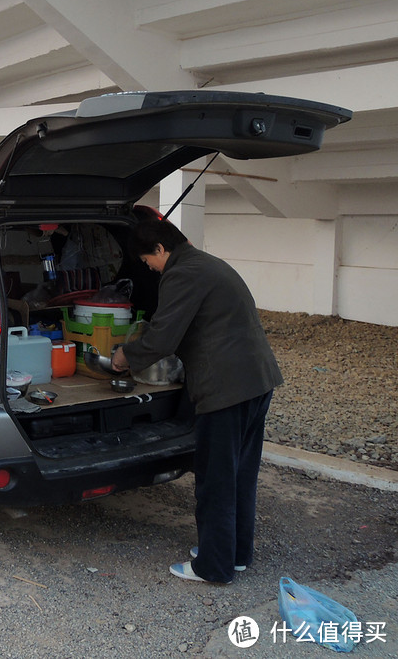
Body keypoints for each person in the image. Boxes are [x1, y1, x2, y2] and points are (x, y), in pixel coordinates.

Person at [110, 219, 281, 584]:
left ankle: (213, 566)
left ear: (159, 249)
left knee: (216, 477)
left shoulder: (181, 274)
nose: (148, 269)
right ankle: (235, 554)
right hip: (257, 380)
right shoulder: (207, 263)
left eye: (146, 261)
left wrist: (124, 356)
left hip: (225, 388)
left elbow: (162, 339)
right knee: (239, 473)